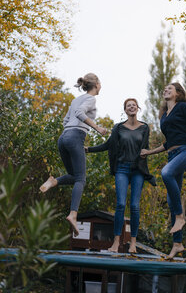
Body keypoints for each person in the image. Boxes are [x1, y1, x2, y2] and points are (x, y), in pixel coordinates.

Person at [140, 83, 186, 259]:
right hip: (173, 155)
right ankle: (177, 244)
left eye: (170, 88)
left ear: (178, 93)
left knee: (166, 173)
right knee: (171, 201)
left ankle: (180, 217)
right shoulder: (164, 116)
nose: (165, 90)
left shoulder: (184, 107)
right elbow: (168, 143)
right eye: (165, 89)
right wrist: (149, 152)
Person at [39, 73, 107, 236]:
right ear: (96, 84)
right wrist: (97, 128)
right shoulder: (91, 99)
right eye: (101, 83)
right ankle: (73, 214)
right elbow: (79, 113)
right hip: (74, 136)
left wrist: (71, 136)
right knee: (80, 179)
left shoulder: (76, 99)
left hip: (63, 138)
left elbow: (65, 121)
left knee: (73, 175)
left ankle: (53, 181)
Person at [86, 98, 156, 253]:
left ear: (138, 108)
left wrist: (147, 154)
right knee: (120, 205)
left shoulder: (145, 128)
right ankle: (116, 242)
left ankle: (132, 243)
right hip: (122, 169)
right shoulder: (118, 128)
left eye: (133, 105)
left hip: (137, 170)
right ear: (125, 110)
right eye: (128, 106)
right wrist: (89, 149)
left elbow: (145, 149)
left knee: (135, 206)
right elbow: (107, 145)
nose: (131, 107)